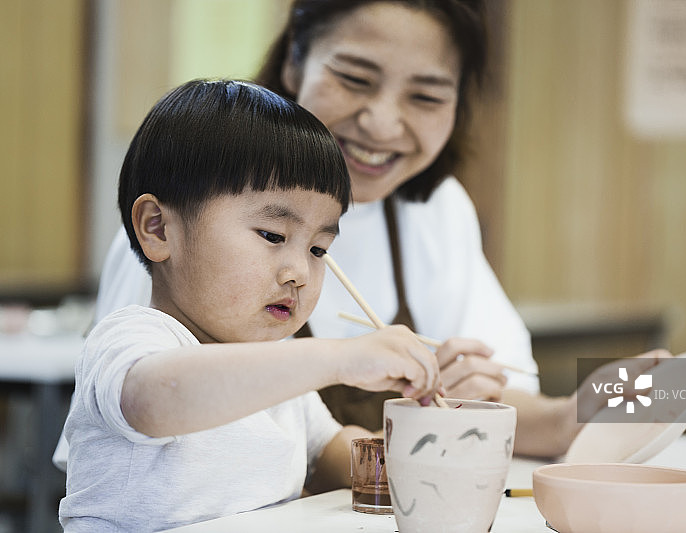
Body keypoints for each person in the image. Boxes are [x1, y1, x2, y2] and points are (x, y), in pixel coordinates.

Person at [70, 0, 667, 463]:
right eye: (355, 79)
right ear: (295, 62)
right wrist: (341, 360)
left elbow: (367, 441)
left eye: (427, 94)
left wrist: (573, 414)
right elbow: (148, 402)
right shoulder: (198, 214)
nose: (383, 122)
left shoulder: (434, 210)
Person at [58, 79, 441, 532]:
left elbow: (327, 454)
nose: (299, 270)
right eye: (273, 236)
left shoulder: (280, 367)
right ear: (158, 229)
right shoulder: (134, 339)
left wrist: (401, 453)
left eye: (318, 250)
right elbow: (155, 400)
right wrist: (337, 358)